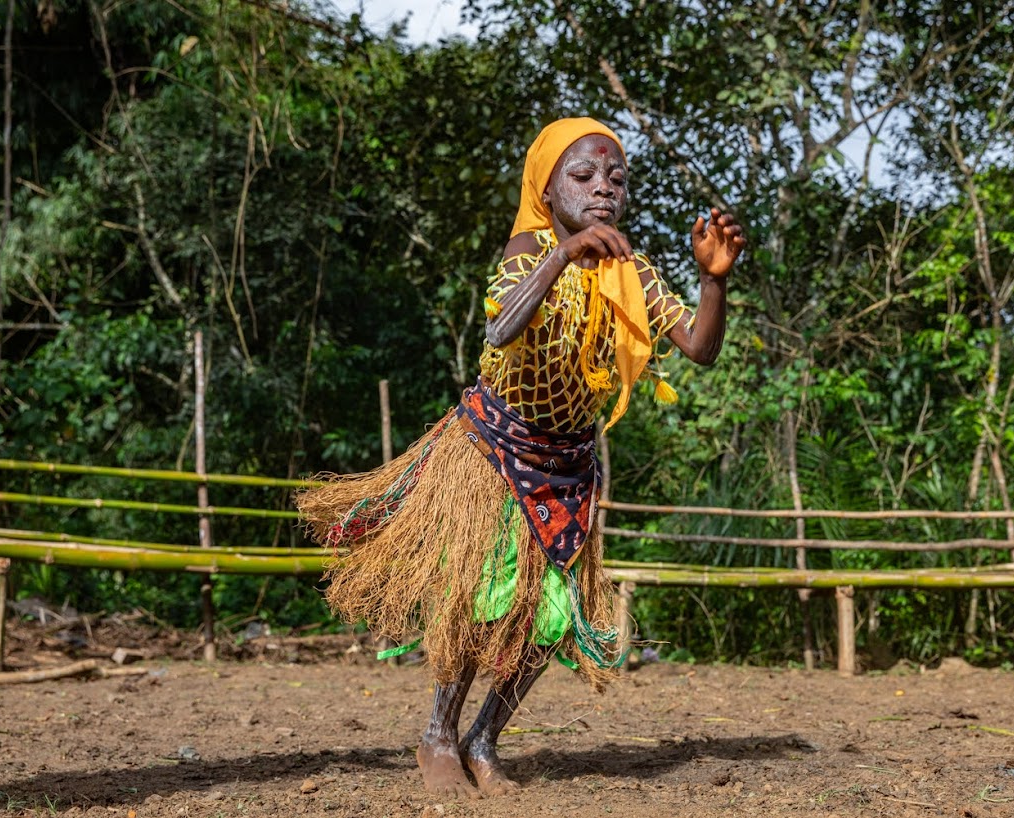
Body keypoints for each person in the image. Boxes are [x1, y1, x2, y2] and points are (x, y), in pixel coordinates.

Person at [297, 117, 745, 799]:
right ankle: (438, 737)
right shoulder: (527, 249)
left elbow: (699, 347)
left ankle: (484, 738)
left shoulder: (633, 270)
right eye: (585, 175)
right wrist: (563, 257)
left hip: (568, 466)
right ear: (547, 186)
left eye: (617, 178)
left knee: (550, 617)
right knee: (479, 604)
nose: (604, 190)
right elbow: (501, 328)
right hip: (493, 453)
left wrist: (714, 283)